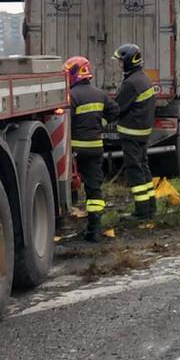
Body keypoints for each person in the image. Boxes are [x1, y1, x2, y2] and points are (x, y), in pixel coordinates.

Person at [65, 56, 116, 241]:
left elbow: (66, 123)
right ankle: (95, 229)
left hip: (76, 149)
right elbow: (114, 111)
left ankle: (70, 220)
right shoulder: (100, 94)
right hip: (95, 147)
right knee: (94, 189)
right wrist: (100, 124)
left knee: (73, 183)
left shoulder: (71, 96)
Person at [114, 43, 158, 219]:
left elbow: (118, 107)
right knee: (143, 167)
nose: (119, 64)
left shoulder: (131, 83)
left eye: (120, 61)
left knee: (135, 170)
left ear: (128, 62)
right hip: (142, 132)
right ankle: (150, 207)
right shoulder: (142, 78)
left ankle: (141, 211)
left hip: (131, 133)